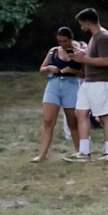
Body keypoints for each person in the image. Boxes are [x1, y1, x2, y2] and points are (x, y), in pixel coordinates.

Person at [68, 8, 108, 162]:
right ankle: (84, 152)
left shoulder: (104, 37)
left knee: (105, 116)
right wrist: (82, 55)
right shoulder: (94, 37)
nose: (80, 27)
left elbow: (106, 60)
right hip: (90, 81)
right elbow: (95, 57)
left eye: (81, 24)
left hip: (102, 81)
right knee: (80, 112)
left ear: (87, 22)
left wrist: (82, 60)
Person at [32, 27, 83, 162]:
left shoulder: (79, 52)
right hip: (54, 85)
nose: (62, 44)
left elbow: (84, 74)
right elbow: (41, 69)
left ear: (71, 39)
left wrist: (72, 70)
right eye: (59, 41)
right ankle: (42, 155)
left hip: (71, 85)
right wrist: (49, 68)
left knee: (73, 121)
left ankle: (80, 152)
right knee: (48, 121)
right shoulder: (53, 52)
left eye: (65, 41)